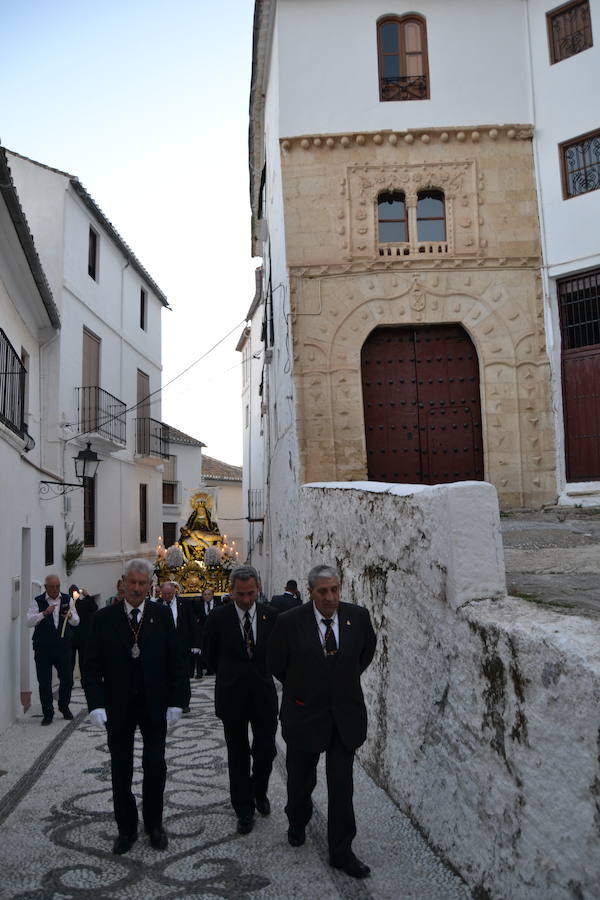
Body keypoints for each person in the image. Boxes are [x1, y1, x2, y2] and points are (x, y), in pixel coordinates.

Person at [267, 564, 377, 880]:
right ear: (311, 591)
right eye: (323, 591)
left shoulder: (358, 617)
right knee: (301, 779)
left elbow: (365, 653)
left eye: (335, 590)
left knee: (342, 787)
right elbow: (277, 663)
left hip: (345, 716)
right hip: (304, 714)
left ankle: (341, 851)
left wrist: (337, 679)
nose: (330, 597)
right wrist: (307, 685)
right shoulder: (290, 622)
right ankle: (297, 819)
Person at [83, 558, 187, 855]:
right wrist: (95, 704)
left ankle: (154, 825)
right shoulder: (103, 619)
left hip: (154, 705)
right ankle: (125, 828)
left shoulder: (162, 615)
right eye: (133, 583)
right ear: (123, 583)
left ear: (150, 585)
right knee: (120, 770)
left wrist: (178, 701)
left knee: (155, 767)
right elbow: (91, 667)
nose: (137, 588)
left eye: (143, 584)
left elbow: (175, 661)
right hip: (118, 706)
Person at [204, 565, 279, 835]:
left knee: (266, 750)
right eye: (241, 594)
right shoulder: (218, 618)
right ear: (232, 591)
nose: (247, 600)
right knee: (237, 756)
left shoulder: (272, 616)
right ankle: (243, 809)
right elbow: (210, 657)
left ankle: (259, 790)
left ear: (258, 589)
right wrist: (229, 675)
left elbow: (280, 653)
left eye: (251, 593)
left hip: (264, 697)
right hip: (232, 696)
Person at [26, 574, 80, 725]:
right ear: (46, 587)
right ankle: (48, 713)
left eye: (57, 586)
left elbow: (76, 621)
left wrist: (70, 617)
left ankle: (64, 706)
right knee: (44, 682)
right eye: (52, 587)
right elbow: (28, 621)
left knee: (67, 680)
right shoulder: (38, 601)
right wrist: (44, 613)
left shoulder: (67, 599)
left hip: (63, 647)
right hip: (43, 648)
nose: (55, 589)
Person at [157, 581, 193, 712]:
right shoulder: (157, 605)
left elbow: (192, 624)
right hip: (163, 647)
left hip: (181, 646)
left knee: (183, 675)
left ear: (174, 592)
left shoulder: (184, 604)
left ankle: (184, 702)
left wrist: (195, 644)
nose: (167, 596)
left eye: (169, 594)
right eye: (165, 594)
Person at [190, 588, 221, 677]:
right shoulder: (198, 605)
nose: (207, 596)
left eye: (209, 594)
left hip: (215, 631)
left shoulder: (218, 604)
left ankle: (214, 667)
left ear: (213, 595)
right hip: (202, 631)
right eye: (205, 594)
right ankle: (207, 668)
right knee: (204, 650)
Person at [70, 586, 98, 680]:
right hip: (84, 638)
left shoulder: (69, 606)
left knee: (70, 663)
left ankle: (69, 682)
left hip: (71, 638)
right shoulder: (85, 603)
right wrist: (87, 595)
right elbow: (95, 607)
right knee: (83, 662)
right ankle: (84, 682)